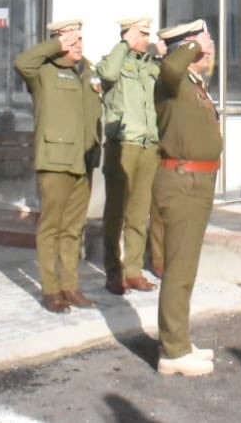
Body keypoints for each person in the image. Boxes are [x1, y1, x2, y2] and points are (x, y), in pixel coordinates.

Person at [15, 18, 103, 314]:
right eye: (70, 39)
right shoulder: (42, 71)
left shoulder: (89, 71)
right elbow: (22, 62)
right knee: (51, 227)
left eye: (80, 39)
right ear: (57, 41)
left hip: (83, 160)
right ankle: (51, 289)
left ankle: (71, 286)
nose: (78, 44)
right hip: (55, 159)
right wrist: (56, 45)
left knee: (74, 228)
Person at [151, 19, 221, 377]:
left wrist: (196, 47)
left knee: (186, 267)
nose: (210, 47)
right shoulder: (171, 80)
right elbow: (170, 66)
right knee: (178, 270)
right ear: (186, 47)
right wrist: (193, 45)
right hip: (182, 182)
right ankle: (173, 351)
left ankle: (179, 339)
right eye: (204, 41)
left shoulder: (193, 84)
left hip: (197, 181)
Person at [98, 15, 165, 295]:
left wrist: (162, 58)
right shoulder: (111, 60)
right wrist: (124, 45)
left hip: (149, 145)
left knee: (139, 213)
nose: (146, 39)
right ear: (127, 33)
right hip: (123, 144)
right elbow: (109, 75)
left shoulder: (150, 67)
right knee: (116, 211)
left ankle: (134, 270)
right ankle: (113, 272)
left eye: (148, 34)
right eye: (142, 33)